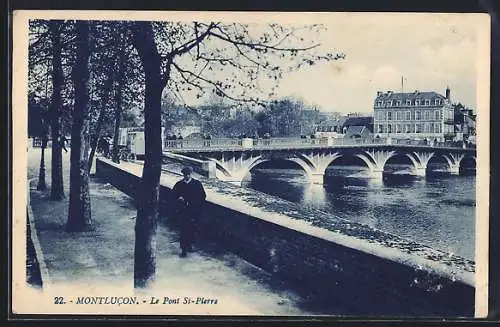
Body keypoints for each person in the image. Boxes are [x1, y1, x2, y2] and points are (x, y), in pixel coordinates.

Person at [173, 166, 206, 257]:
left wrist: (195, 204)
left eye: (188, 174)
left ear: (191, 174)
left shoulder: (197, 184)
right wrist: (179, 198)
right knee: (183, 230)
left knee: (192, 229)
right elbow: (173, 195)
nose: (187, 176)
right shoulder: (179, 184)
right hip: (183, 211)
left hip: (193, 211)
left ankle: (190, 245)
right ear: (183, 174)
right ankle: (184, 249)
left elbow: (203, 196)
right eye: (185, 174)